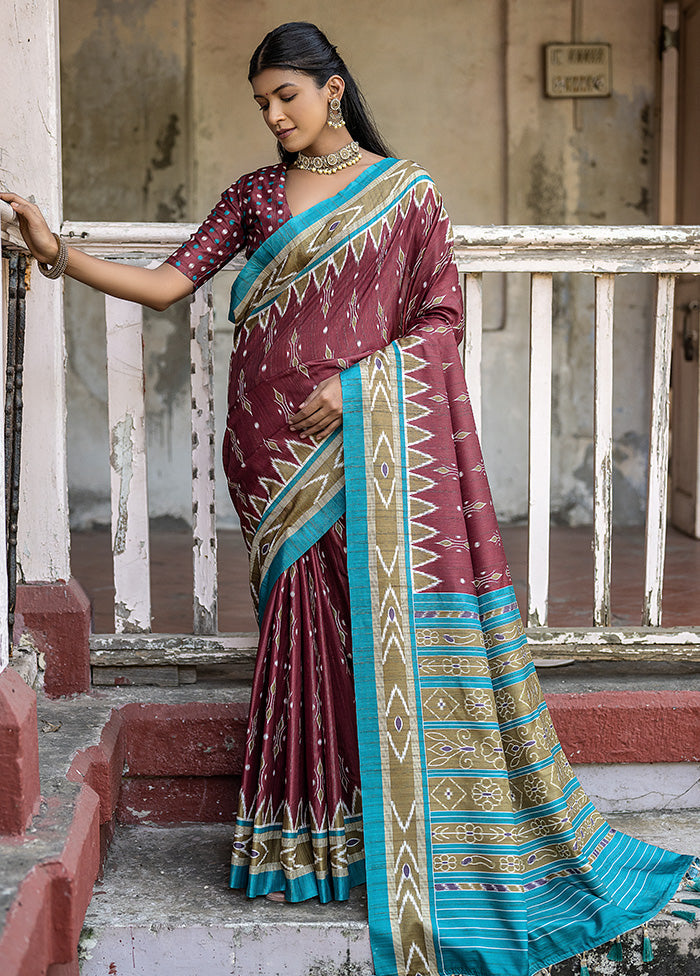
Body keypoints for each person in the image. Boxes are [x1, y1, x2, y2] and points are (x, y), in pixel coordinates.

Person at [3, 21, 695, 976]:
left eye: (286, 94)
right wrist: (55, 252)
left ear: (333, 89)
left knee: (362, 629)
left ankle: (371, 842)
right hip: (266, 452)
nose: (274, 114)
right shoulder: (252, 194)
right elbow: (168, 286)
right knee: (300, 629)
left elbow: (442, 320)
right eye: (261, 103)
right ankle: (303, 845)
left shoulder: (407, 196)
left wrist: (361, 385)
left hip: (360, 441)